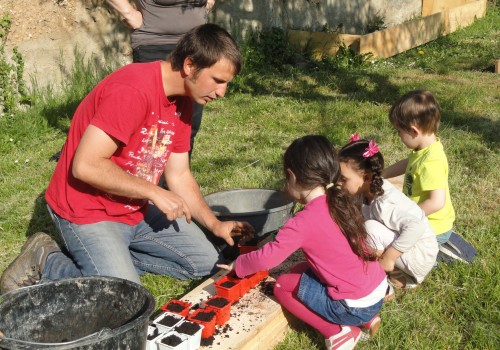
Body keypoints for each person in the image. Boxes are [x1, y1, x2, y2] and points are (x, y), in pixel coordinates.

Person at [0, 24, 253, 295]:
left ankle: (112, 264)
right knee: (126, 297)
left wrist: (215, 224)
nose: (222, 92)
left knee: (206, 264)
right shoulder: (132, 89)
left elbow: (179, 175)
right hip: (89, 211)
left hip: (136, 208)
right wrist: (154, 191)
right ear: (190, 65)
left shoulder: (184, 100)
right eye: (218, 80)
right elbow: (86, 165)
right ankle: (47, 261)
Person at [218, 135, 388, 350]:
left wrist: (239, 264)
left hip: (352, 306)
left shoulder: (302, 222)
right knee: (301, 269)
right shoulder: (340, 200)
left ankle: (338, 333)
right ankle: (367, 318)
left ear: (291, 176)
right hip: (376, 292)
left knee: (282, 286)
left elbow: (269, 256)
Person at [107, 0, 216, 158]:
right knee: (153, 123)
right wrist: (128, 13)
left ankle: (174, 178)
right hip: (154, 43)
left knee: (189, 122)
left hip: (196, 44)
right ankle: (145, 176)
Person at [338, 136, 439, 290]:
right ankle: (395, 269)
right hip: (409, 246)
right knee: (362, 228)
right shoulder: (368, 189)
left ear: (366, 177)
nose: (339, 183)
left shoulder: (383, 203)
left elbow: (416, 227)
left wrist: (389, 257)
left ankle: (394, 273)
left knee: (369, 229)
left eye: (343, 179)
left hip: (420, 256)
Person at [382, 90, 456, 246]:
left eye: (399, 132)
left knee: (389, 243)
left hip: (434, 229)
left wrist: (406, 215)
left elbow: (436, 202)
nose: (398, 136)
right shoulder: (424, 150)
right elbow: (408, 163)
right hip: (421, 219)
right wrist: (383, 174)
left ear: (413, 131)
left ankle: (428, 254)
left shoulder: (431, 161)